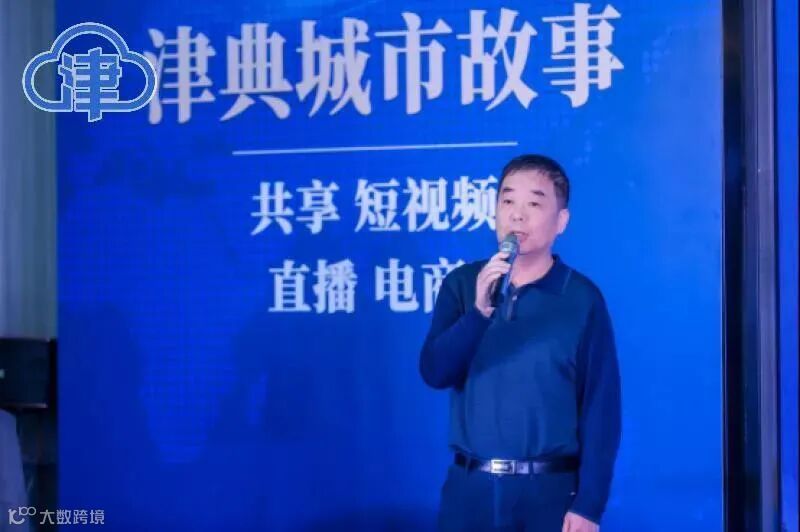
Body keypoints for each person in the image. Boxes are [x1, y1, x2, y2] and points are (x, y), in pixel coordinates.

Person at [419, 155, 621, 532]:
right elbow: (434, 372)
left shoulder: (581, 298)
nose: (517, 215)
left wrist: (589, 505)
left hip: (549, 493)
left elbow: (601, 408)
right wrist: (479, 312)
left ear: (561, 221)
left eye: (534, 203)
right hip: (470, 490)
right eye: (508, 200)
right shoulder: (462, 284)